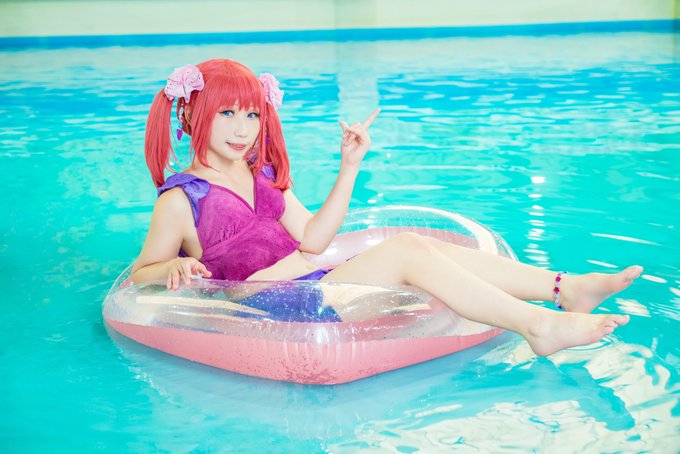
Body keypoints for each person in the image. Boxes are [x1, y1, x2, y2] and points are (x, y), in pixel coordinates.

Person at [131, 58, 643, 357]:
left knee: (422, 248)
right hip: (269, 308)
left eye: (252, 115)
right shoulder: (181, 199)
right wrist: (171, 267)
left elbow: (315, 240)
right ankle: (538, 326)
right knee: (408, 249)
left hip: (308, 283)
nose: (243, 129)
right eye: (227, 113)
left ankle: (564, 288)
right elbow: (141, 273)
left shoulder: (260, 175)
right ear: (192, 114)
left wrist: (349, 166)